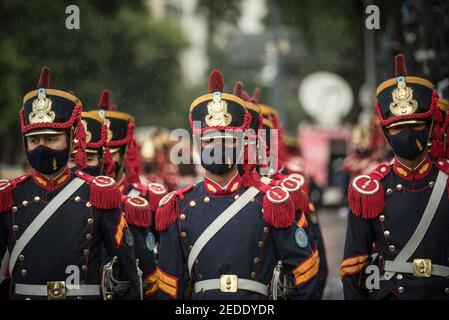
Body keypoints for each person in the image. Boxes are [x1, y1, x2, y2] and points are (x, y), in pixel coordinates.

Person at [155, 69, 319, 300]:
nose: (217, 148)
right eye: (209, 140)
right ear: (197, 146)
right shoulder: (178, 206)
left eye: (227, 140)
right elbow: (169, 287)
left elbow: (306, 271)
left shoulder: (269, 202)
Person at [0, 67, 139, 300]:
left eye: (52, 139)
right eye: (35, 140)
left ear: (73, 140)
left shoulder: (97, 194)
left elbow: (127, 274)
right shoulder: (10, 196)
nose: (42, 147)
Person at [341, 54, 449, 299]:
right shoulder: (370, 188)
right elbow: (354, 268)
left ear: (430, 125)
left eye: (416, 124)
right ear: (386, 132)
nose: (408, 133)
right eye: (398, 127)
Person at [88, 90, 167, 298]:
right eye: (97, 154)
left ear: (124, 154)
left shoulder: (146, 197)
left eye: (112, 153)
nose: (107, 160)